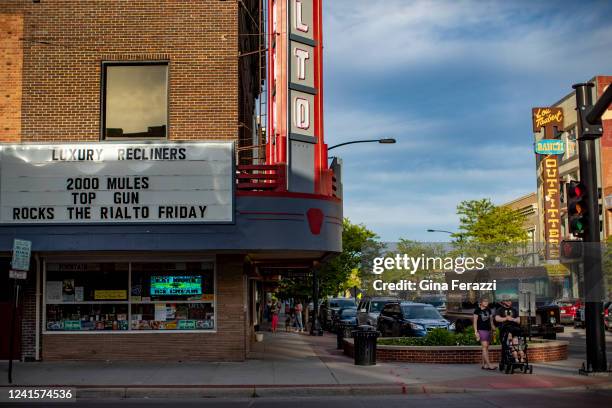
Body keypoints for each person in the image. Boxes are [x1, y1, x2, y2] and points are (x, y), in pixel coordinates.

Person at [495, 296, 525, 362]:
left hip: (514, 329)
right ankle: (504, 361)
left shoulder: (514, 309)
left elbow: (519, 320)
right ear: (503, 302)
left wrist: (513, 319)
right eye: (507, 300)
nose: (509, 302)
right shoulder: (500, 310)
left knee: (518, 338)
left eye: (510, 300)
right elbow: (497, 318)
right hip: (504, 329)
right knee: (505, 346)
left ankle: (519, 358)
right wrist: (506, 318)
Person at [473, 297, 495, 370]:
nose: (486, 303)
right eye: (485, 301)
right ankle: (489, 365)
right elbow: (475, 322)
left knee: (486, 348)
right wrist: (476, 332)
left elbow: (491, 320)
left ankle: (484, 364)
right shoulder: (477, 310)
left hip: (488, 330)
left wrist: (493, 328)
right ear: (481, 302)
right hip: (481, 330)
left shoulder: (489, 310)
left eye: (487, 301)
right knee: (485, 347)